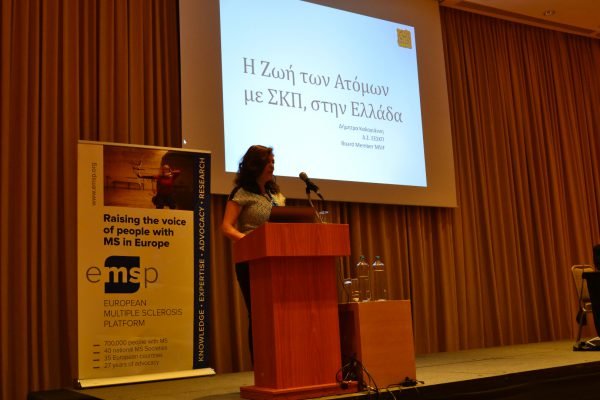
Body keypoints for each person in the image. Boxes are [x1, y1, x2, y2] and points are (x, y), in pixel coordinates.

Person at [221, 145, 285, 361]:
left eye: (273, 161)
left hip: (276, 259)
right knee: (259, 314)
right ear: (255, 165)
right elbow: (226, 227)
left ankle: (280, 362)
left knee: (279, 313)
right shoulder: (241, 193)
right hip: (251, 261)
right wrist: (252, 242)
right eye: (268, 161)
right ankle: (261, 366)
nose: (272, 165)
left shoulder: (274, 194)